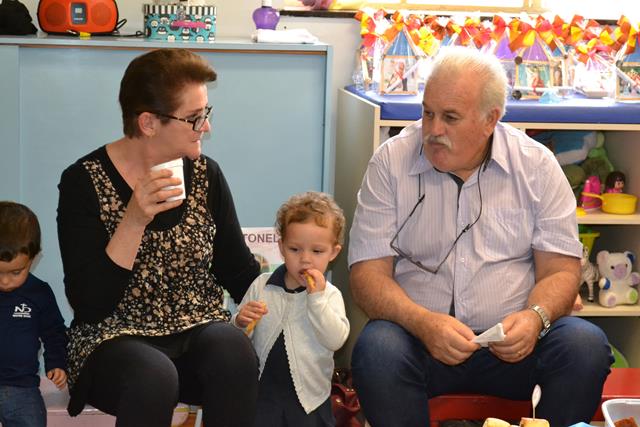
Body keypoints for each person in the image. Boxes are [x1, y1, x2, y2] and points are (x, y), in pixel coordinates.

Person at [348, 47, 613, 427]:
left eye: (450, 117)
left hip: (513, 349)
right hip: (420, 341)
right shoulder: (391, 162)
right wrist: (422, 323)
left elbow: (560, 271)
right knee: (376, 349)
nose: (433, 130)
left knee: (585, 345)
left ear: (491, 119)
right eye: (427, 113)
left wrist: (535, 318)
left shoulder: (536, 166)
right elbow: (366, 275)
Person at [56, 48, 261, 427]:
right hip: (113, 340)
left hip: (196, 327)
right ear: (148, 122)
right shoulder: (83, 182)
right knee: (153, 375)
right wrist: (133, 220)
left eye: (206, 113)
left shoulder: (206, 174)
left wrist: (295, 288)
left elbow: (238, 270)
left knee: (233, 351)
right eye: (194, 118)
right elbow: (88, 305)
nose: (206, 128)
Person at [233, 191, 350, 427]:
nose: (305, 259)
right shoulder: (262, 285)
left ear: (334, 252)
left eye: (317, 251)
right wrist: (240, 322)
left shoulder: (330, 295)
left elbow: (335, 340)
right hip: (264, 395)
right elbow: (237, 340)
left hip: (310, 399)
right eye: (295, 249)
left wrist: (316, 299)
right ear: (281, 247)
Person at [0, 201, 68, 427]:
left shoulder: (39, 293)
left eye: (15, 272)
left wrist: (56, 363)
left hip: (22, 388)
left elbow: (54, 332)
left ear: (33, 258)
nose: (5, 281)